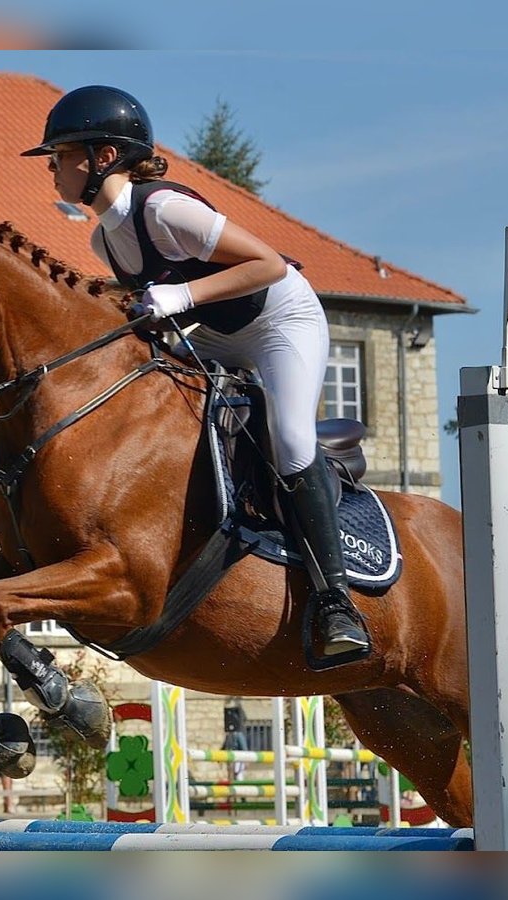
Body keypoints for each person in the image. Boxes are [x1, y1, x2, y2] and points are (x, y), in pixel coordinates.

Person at [21, 85, 369, 658]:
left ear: (103, 157)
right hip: (213, 334)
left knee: (288, 440)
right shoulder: (105, 239)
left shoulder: (162, 208)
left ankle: (337, 603)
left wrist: (180, 294)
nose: (52, 167)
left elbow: (268, 264)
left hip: (280, 321)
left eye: (60, 154)